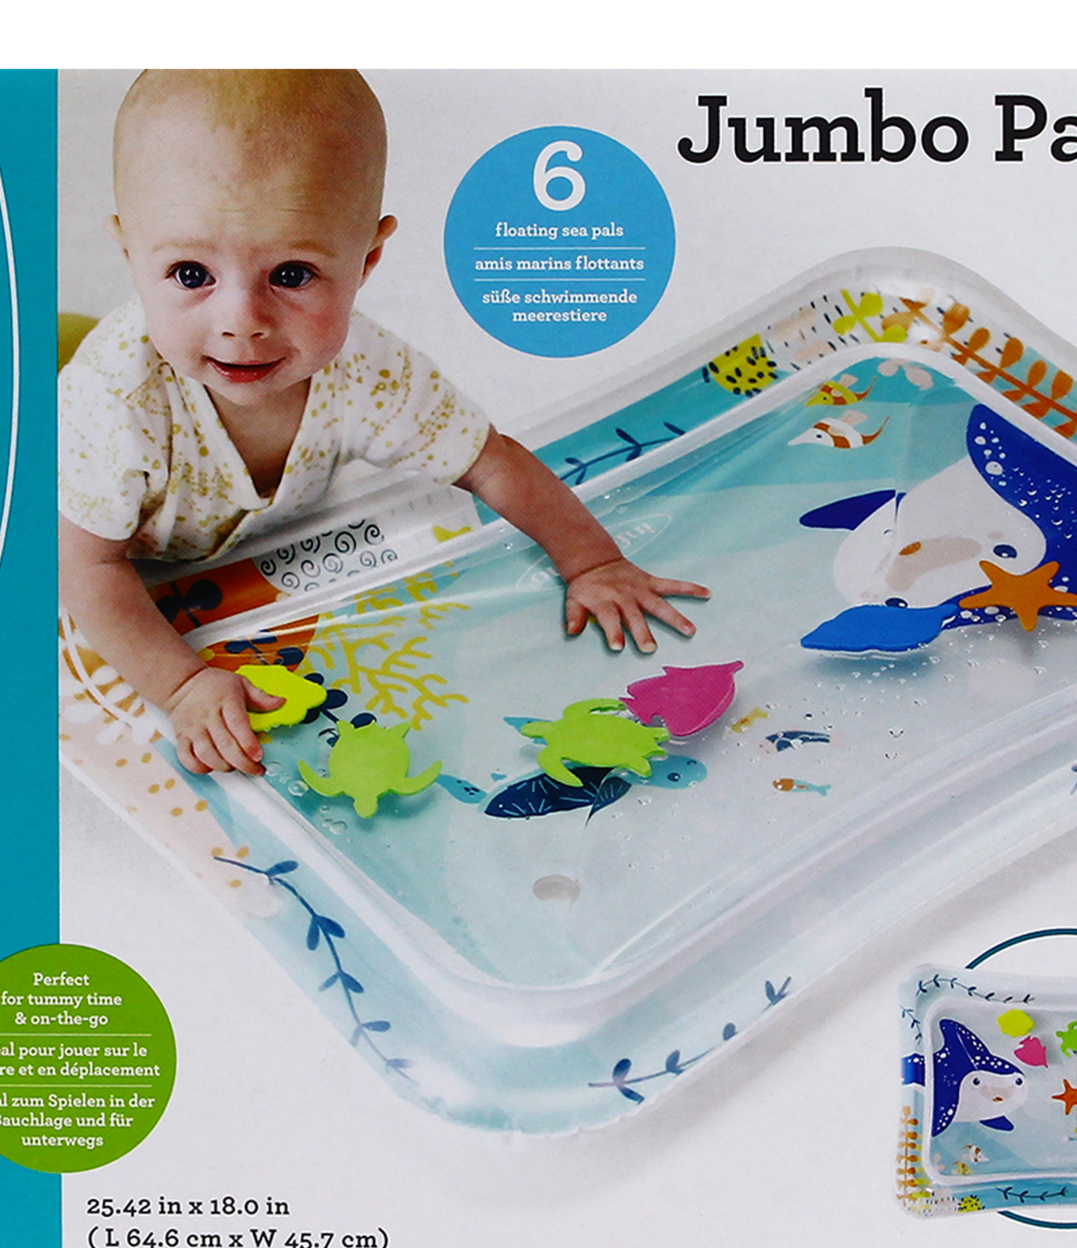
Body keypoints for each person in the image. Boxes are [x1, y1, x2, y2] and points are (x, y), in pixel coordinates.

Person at [60, 70, 710, 778]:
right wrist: (183, 685)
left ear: (366, 259)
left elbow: (490, 461)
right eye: (191, 274)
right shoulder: (115, 398)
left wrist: (592, 561)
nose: (242, 321)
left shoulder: (368, 370)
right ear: (130, 253)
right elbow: (86, 565)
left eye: (291, 274)